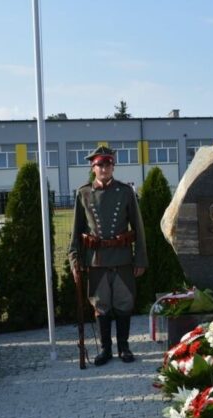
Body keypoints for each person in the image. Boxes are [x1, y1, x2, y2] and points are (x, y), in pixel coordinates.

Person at [69, 146, 148, 365]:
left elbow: (138, 228)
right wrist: (74, 259)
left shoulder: (125, 192)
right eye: (100, 165)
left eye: (109, 164)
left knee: (124, 303)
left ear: (113, 166)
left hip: (122, 257)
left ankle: (124, 347)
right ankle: (105, 349)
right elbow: (76, 230)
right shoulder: (84, 193)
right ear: (93, 168)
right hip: (96, 260)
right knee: (101, 305)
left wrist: (140, 258)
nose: (105, 168)